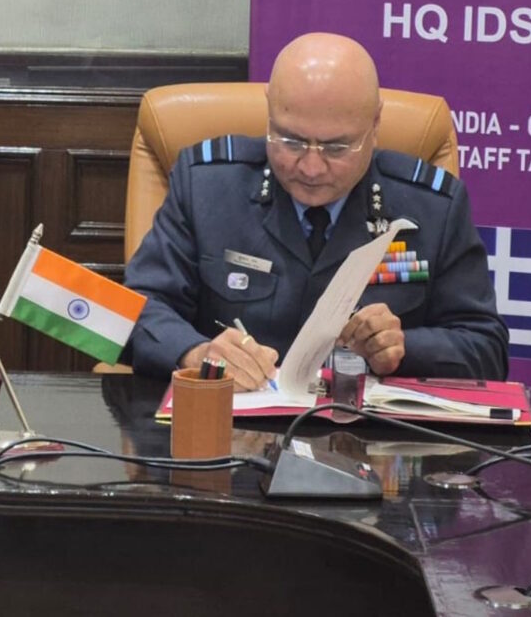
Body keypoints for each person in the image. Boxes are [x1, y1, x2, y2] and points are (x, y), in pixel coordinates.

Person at [126, 32, 508, 390]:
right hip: (229, 425)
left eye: (337, 148)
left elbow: (486, 349)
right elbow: (134, 315)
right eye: (290, 141)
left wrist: (404, 348)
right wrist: (197, 355)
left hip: (366, 431)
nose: (311, 168)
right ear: (268, 114)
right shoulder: (207, 187)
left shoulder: (433, 206)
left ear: (375, 124)